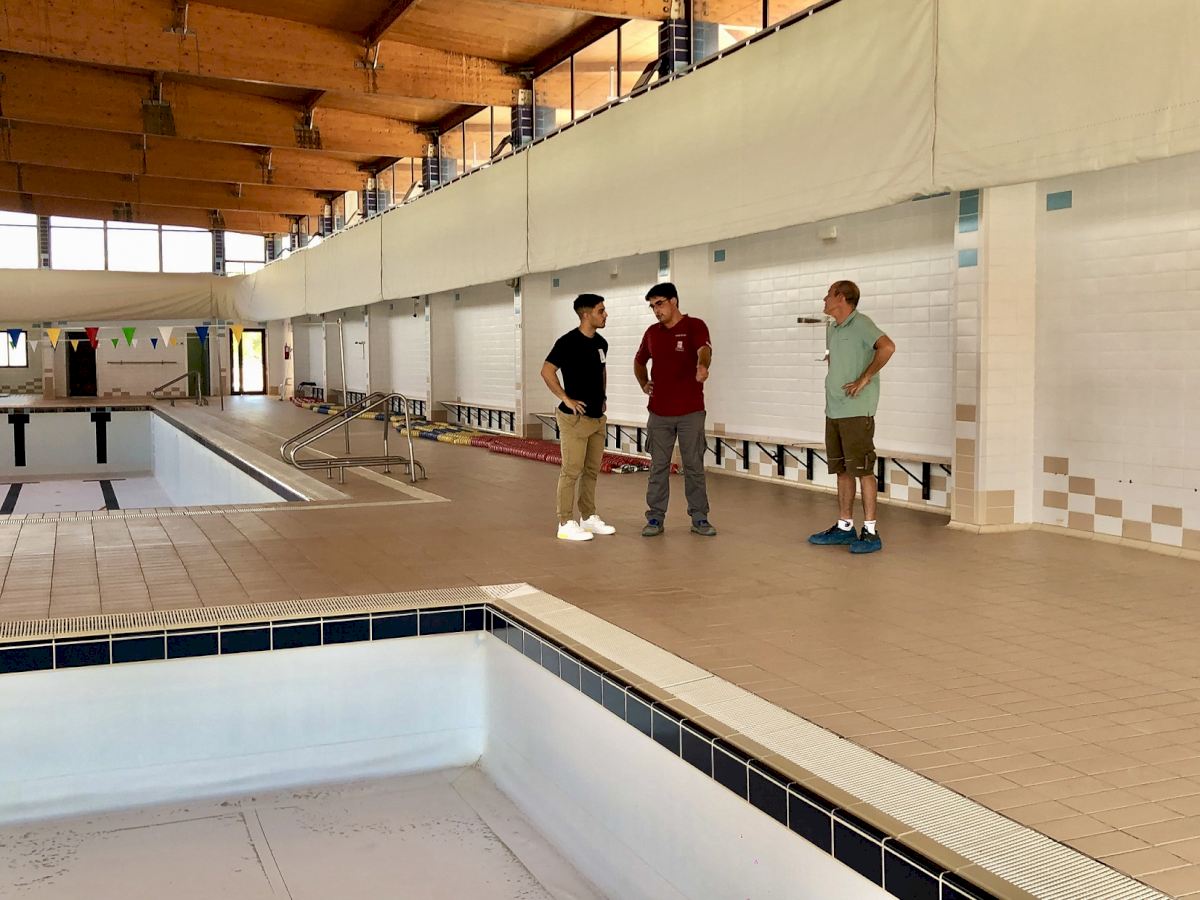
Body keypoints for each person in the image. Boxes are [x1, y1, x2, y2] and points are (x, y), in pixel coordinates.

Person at [808, 280, 896, 554]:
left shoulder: (862, 324)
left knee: (863, 470)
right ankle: (845, 527)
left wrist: (864, 378)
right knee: (842, 470)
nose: (824, 299)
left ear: (841, 298)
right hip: (834, 410)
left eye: (828, 294)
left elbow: (887, 347)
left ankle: (870, 531)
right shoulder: (832, 327)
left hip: (857, 411)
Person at [634, 282, 716, 537]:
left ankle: (700, 517)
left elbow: (704, 350)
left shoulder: (694, 326)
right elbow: (639, 360)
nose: (656, 310)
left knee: (693, 466)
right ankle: (655, 518)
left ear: (674, 301)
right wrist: (643, 382)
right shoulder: (652, 333)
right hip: (659, 413)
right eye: (652, 306)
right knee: (658, 467)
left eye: (659, 304)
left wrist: (702, 366)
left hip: (691, 411)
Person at [542, 294, 617, 542]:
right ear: (586, 314)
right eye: (601, 311)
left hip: (597, 417)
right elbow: (547, 371)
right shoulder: (567, 342)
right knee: (571, 470)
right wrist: (566, 398)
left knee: (592, 470)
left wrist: (603, 396)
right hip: (574, 419)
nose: (605, 315)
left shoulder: (601, 343)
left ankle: (588, 516)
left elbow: (602, 370)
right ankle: (565, 522)